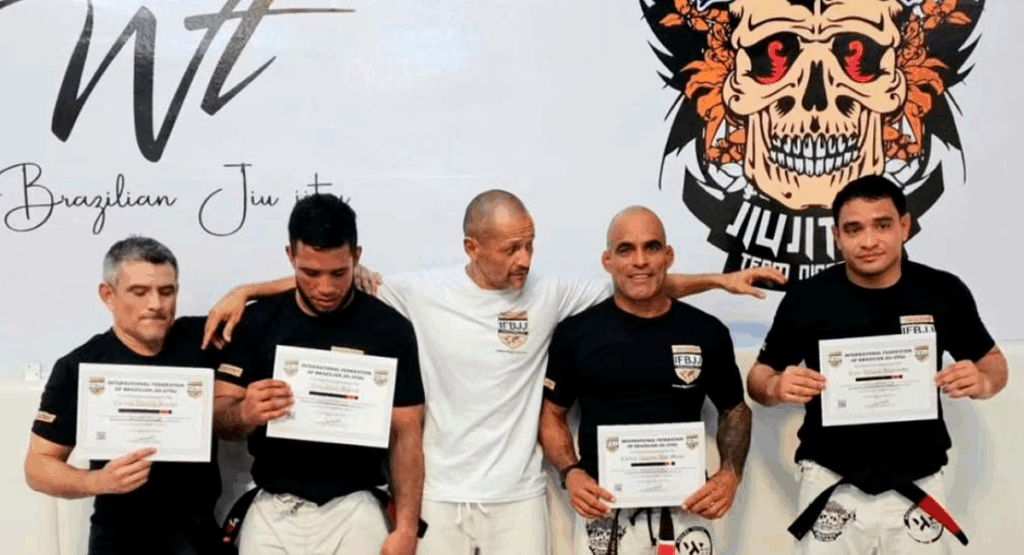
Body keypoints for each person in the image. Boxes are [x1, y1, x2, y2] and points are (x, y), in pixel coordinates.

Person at [207, 190, 783, 555]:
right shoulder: (419, 292)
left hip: (518, 497)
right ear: (472, 247)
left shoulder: (550, 293)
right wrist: (247, 290)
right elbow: (332, 278)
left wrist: (717, 280)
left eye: (529, 245)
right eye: (510, 249)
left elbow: (640, 283)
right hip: (438, 496)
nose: (524, 259)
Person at [746, 175, 1008, 554]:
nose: (868, 241)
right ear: (837, 236)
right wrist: (775, 387)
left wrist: (983, 382)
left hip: (919, 479)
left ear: (904, 226)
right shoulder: (807, 298)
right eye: (854, 229)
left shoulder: (943, 291)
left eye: (882, 225)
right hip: (830, 479)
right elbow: (759, 377)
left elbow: (994, 363)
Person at [212, 194, 425, 555]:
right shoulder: (256, 321)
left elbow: (407, 434)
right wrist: (245, 413)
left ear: (356, 257)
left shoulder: (390, 329)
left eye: (339, 273)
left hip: (356, 506)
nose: (325, 288)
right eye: (310, 273)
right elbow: (218, 414)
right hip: (272, 506)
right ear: (290, 257)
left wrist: (406, 527)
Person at [540, 206, 751, 555]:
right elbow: (551, 415)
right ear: (608, 261)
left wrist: (731, 473)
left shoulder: (706, 331)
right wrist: (570, 472)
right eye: (626, 250)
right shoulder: (575, 333)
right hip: (604, 510)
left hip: (687, 508)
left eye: (651, 247)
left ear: (669, 256)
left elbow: (735, 409)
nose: (640, 261)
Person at [24, 236, 223, 555]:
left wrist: (245, 293)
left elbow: (297, 293)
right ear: (108, 295)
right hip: (120, 539)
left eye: (167, 291)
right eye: (139, 292)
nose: (156, 304)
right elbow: (37, 466)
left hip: (198, 536)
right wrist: (97, 481)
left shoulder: (203, 340)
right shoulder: (79, 366)